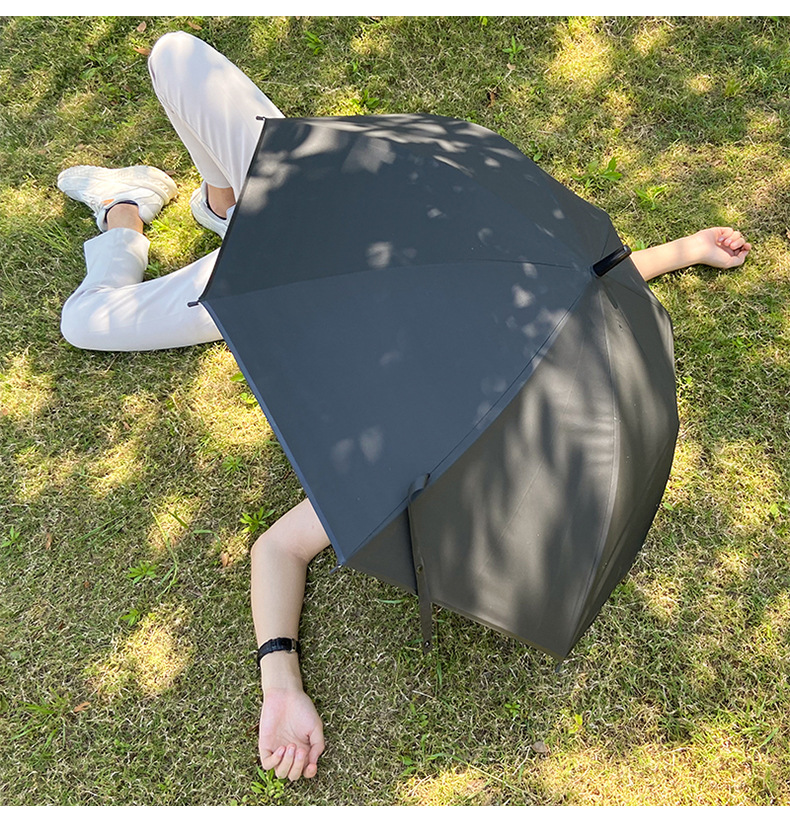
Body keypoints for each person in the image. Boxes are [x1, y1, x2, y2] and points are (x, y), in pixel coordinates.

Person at [56, 31, 751, 782]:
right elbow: (585, 278)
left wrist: (281, 683)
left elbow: (279, 549)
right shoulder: (506, 314)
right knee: (174, 55)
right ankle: (221, 205)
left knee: (85, 321)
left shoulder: (417, 455)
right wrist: (683, 250)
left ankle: (125, 206)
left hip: (294, 265)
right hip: (321, 201)